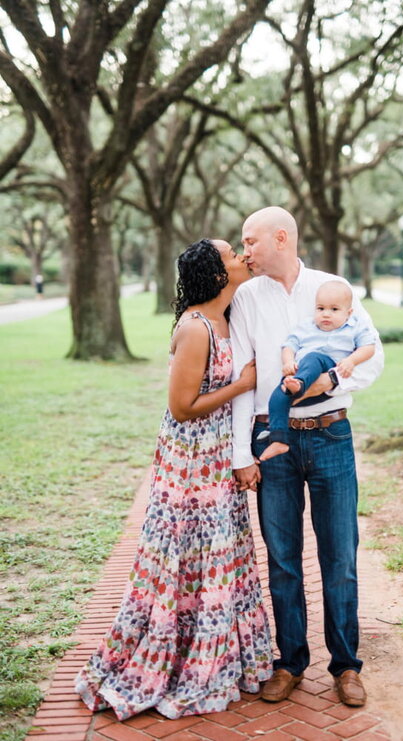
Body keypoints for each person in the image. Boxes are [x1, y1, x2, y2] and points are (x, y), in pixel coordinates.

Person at [76, 239, 272, 720]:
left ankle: (219, 655)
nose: (241, 257)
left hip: (217, 460)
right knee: (184, 558)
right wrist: (241, 385)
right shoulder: (196, 327)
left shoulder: (230, 316)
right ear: (216, 272)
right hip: (189, 466)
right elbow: (181, 408)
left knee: (215, 557)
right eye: (231, 254)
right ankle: (170, 661)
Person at [229, 207, 384, 707]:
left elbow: (373, 351)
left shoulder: (331, 286)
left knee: (340, 556)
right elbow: (241, 381)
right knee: (282, 559)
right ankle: (290, 662)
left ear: (281, 238)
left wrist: (333, 379)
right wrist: (240, 455)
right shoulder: (246, 298)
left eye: (250, 241)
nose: (244, 250)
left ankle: (346, 667)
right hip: (270, 441)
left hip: (330, 437)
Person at [257, 280, 377, 462]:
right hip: (302, 376)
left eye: (334, 310)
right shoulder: (306, 326)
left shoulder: (355, 326)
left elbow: (369, 347)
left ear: (349, 312)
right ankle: (278, 439)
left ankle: (299, 385)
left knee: (314, 357)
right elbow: (289, 345)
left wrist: (351, 361)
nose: (326, 314)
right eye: (320, 309)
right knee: (278, 394)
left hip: (327, 371)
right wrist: (288, 361)